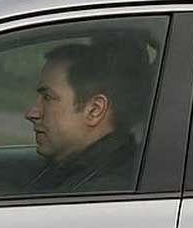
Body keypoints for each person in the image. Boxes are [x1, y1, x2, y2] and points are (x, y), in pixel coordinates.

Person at [21, 40, 151, 194]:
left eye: (47, 97)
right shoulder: (77, 171)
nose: (31, 114)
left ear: (94, 110)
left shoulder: (103, 192)